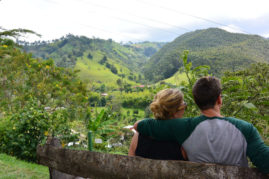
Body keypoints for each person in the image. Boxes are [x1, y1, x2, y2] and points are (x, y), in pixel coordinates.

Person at [134, 76, 269, 174]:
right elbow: (265, 161)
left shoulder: (184, 127)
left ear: (196, 101)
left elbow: (141, 125)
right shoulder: (245, 129)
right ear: (219, 99)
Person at [128, 88, 188, 160]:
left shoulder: (139, 135)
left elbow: (130, 161)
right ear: (175, 112)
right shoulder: (184, 138)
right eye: (184, 105)